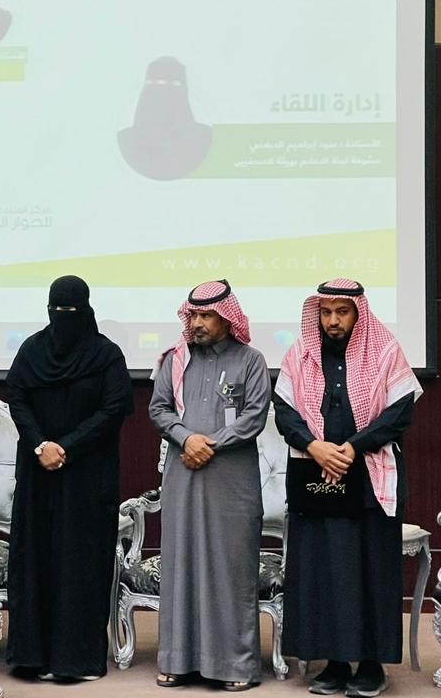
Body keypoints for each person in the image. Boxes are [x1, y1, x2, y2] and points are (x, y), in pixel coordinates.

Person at [274, 278, 421, 697]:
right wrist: (315, 447)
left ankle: (372, 666)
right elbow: (284, 412)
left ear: (359, 314)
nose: (333, 321)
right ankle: (334, 663)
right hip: (316, 473)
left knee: (371, 571)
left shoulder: (384, 350)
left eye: (342, 312)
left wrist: (352, 448)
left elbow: (398, 414)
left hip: (370, 476)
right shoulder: (300, 354)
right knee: (323, 571)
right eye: (326, 313)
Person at [6, 275, 133, 682]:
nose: (63, 318)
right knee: (36, 559)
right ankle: (32, 656)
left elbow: (113, 409)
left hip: (88, 478)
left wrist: (66, 446)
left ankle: (77, 659)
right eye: (57, 310)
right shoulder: (32, 350)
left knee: (81, 563)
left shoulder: (106, 355)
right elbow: (17, 398)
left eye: (70, 311)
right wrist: (40, 444)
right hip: (38, 475)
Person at [148, 279, 270, 690]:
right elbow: (159, 409)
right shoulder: (176, 359)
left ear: (227, 318)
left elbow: (254, 416)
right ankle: (177, 660)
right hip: (183, 475)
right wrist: (187, 439)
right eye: (194, 315)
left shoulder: (250, 361)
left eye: (207, 316)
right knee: (180, 564)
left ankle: (235, 666)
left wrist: (209, 444)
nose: (197, 323)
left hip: (231, 481)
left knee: (229, 569)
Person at [118, 56, 213, 181]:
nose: (162, 97)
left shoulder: (201, 140)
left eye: (172, 84)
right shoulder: (127, 142)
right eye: (155, 84)